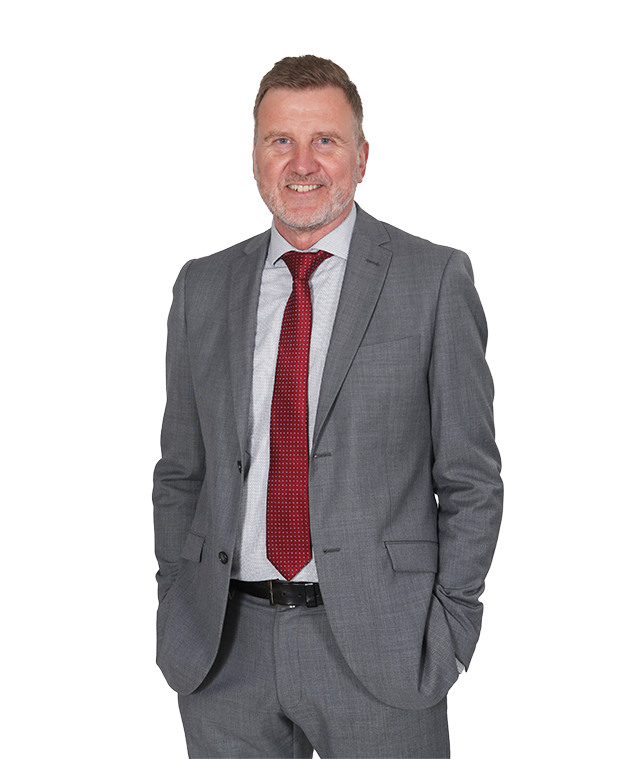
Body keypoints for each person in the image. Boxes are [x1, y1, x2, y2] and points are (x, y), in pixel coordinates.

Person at [153, 54, 503, 759]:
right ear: (255, 156)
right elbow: (181, 472)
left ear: (362, 157)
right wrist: (177, 597)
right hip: (223, 651)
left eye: (326, 141)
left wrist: (451, 627)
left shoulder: (433, 279)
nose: (302, 163)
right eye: (280, 140)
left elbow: (471, 478)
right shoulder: (201, 286)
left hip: (384, 645)